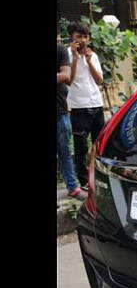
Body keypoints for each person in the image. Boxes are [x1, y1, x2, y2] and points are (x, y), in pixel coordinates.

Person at [66, 21, 105, 190]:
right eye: (78, 37)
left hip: (96, 103)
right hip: (79, 106)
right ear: (72, 38)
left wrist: (88, 61)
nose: (82, 40)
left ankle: (99, 176)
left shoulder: (93, 56)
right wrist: (75, 58)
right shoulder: (66, 55)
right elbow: (69, 80)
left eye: (85, 36)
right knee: (81, 146)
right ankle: (83, 181)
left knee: (99, 143)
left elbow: (99, 80)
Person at [57, 40, 87, 201]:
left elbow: (66, 75)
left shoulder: (59, 50)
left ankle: (73, 188)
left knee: (64, 152)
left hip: (59, 111)